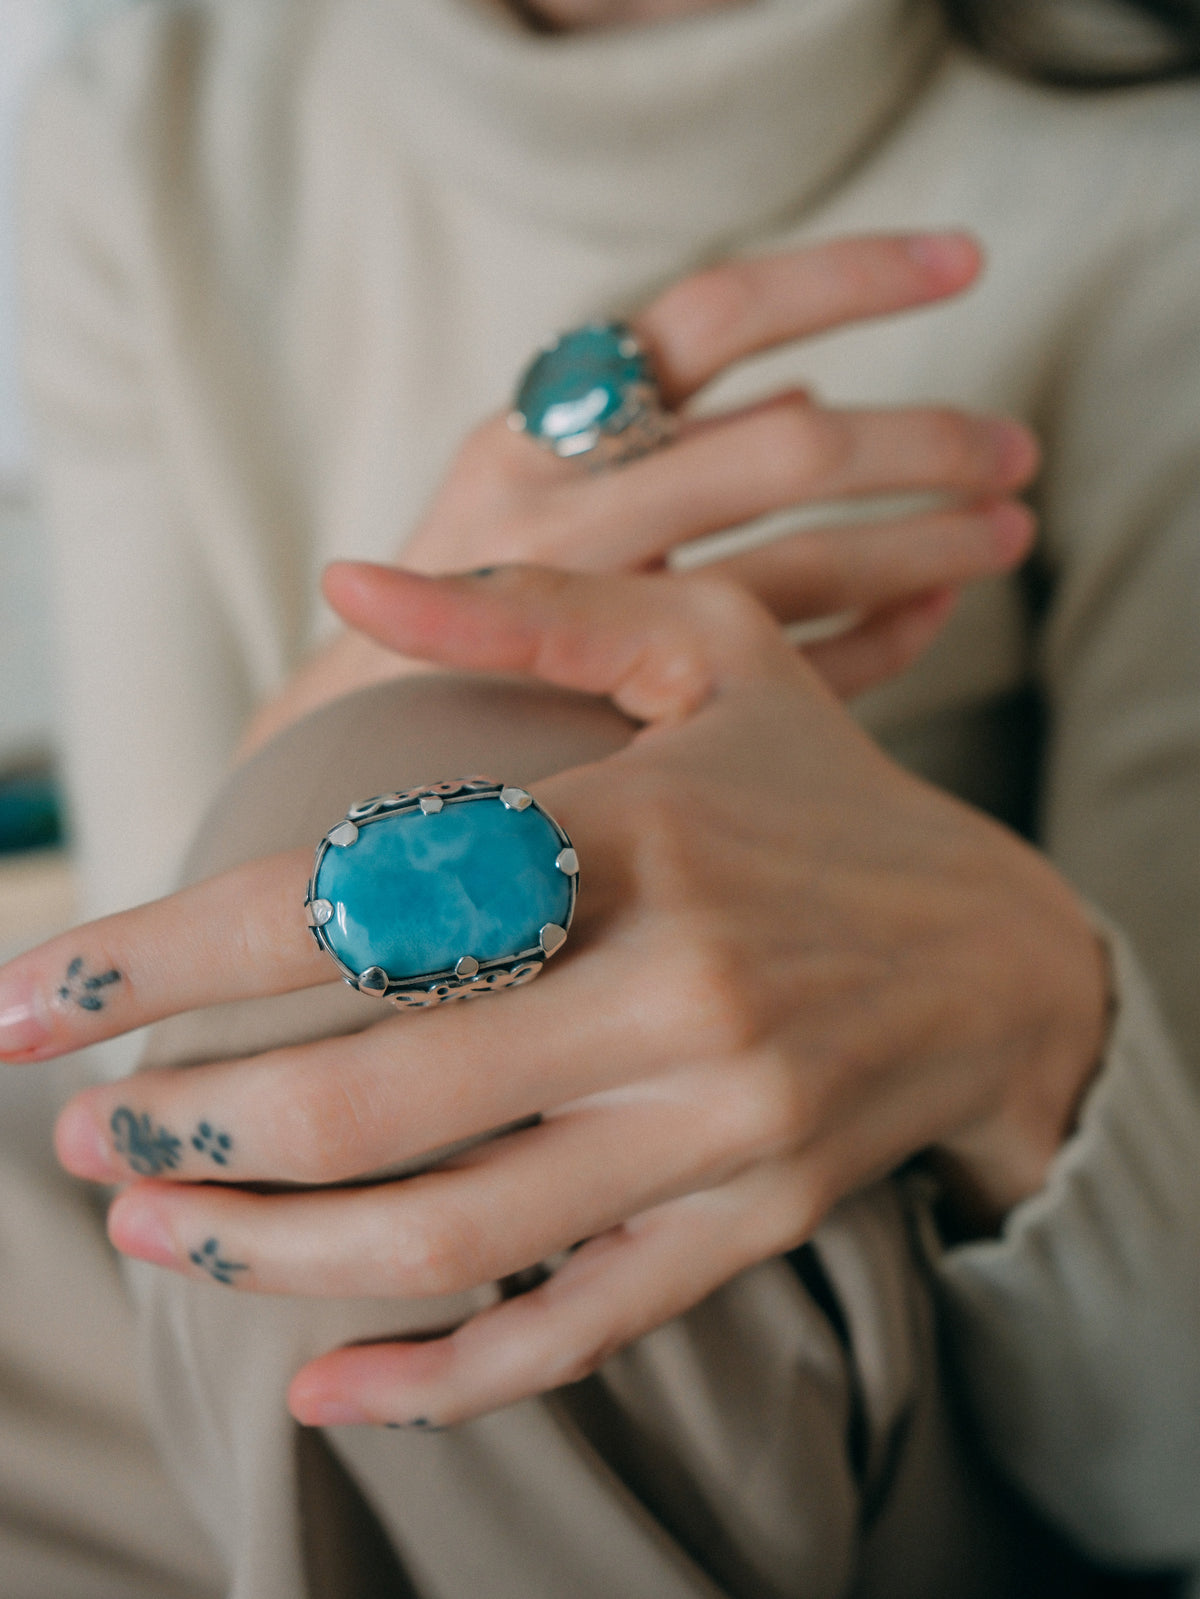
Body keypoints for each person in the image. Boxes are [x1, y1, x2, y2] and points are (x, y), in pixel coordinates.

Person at [5, 0, 1200, 1591]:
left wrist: (1035, 1020)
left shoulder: (1149, 207)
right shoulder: (140, 116)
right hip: (187, 1345)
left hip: (867, 1427)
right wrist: (373, 681)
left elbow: (1163, 1462)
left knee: (415, 895)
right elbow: (163, 1066)